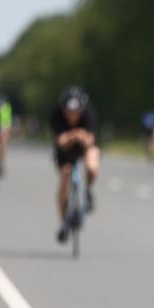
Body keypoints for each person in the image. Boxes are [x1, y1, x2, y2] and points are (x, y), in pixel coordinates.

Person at [50, 86, 100, 243]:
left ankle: (88, 189)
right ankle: (64, 222)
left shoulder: (89, 114)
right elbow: (61, 142)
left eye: (76, 112)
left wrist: (76, 136)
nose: (72, 116)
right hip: (65, 150)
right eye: (69, 112)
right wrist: (76, 135)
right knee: (64, 177)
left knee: (92, 165)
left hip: (84, 147)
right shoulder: (56, 115)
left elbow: (89, 140)